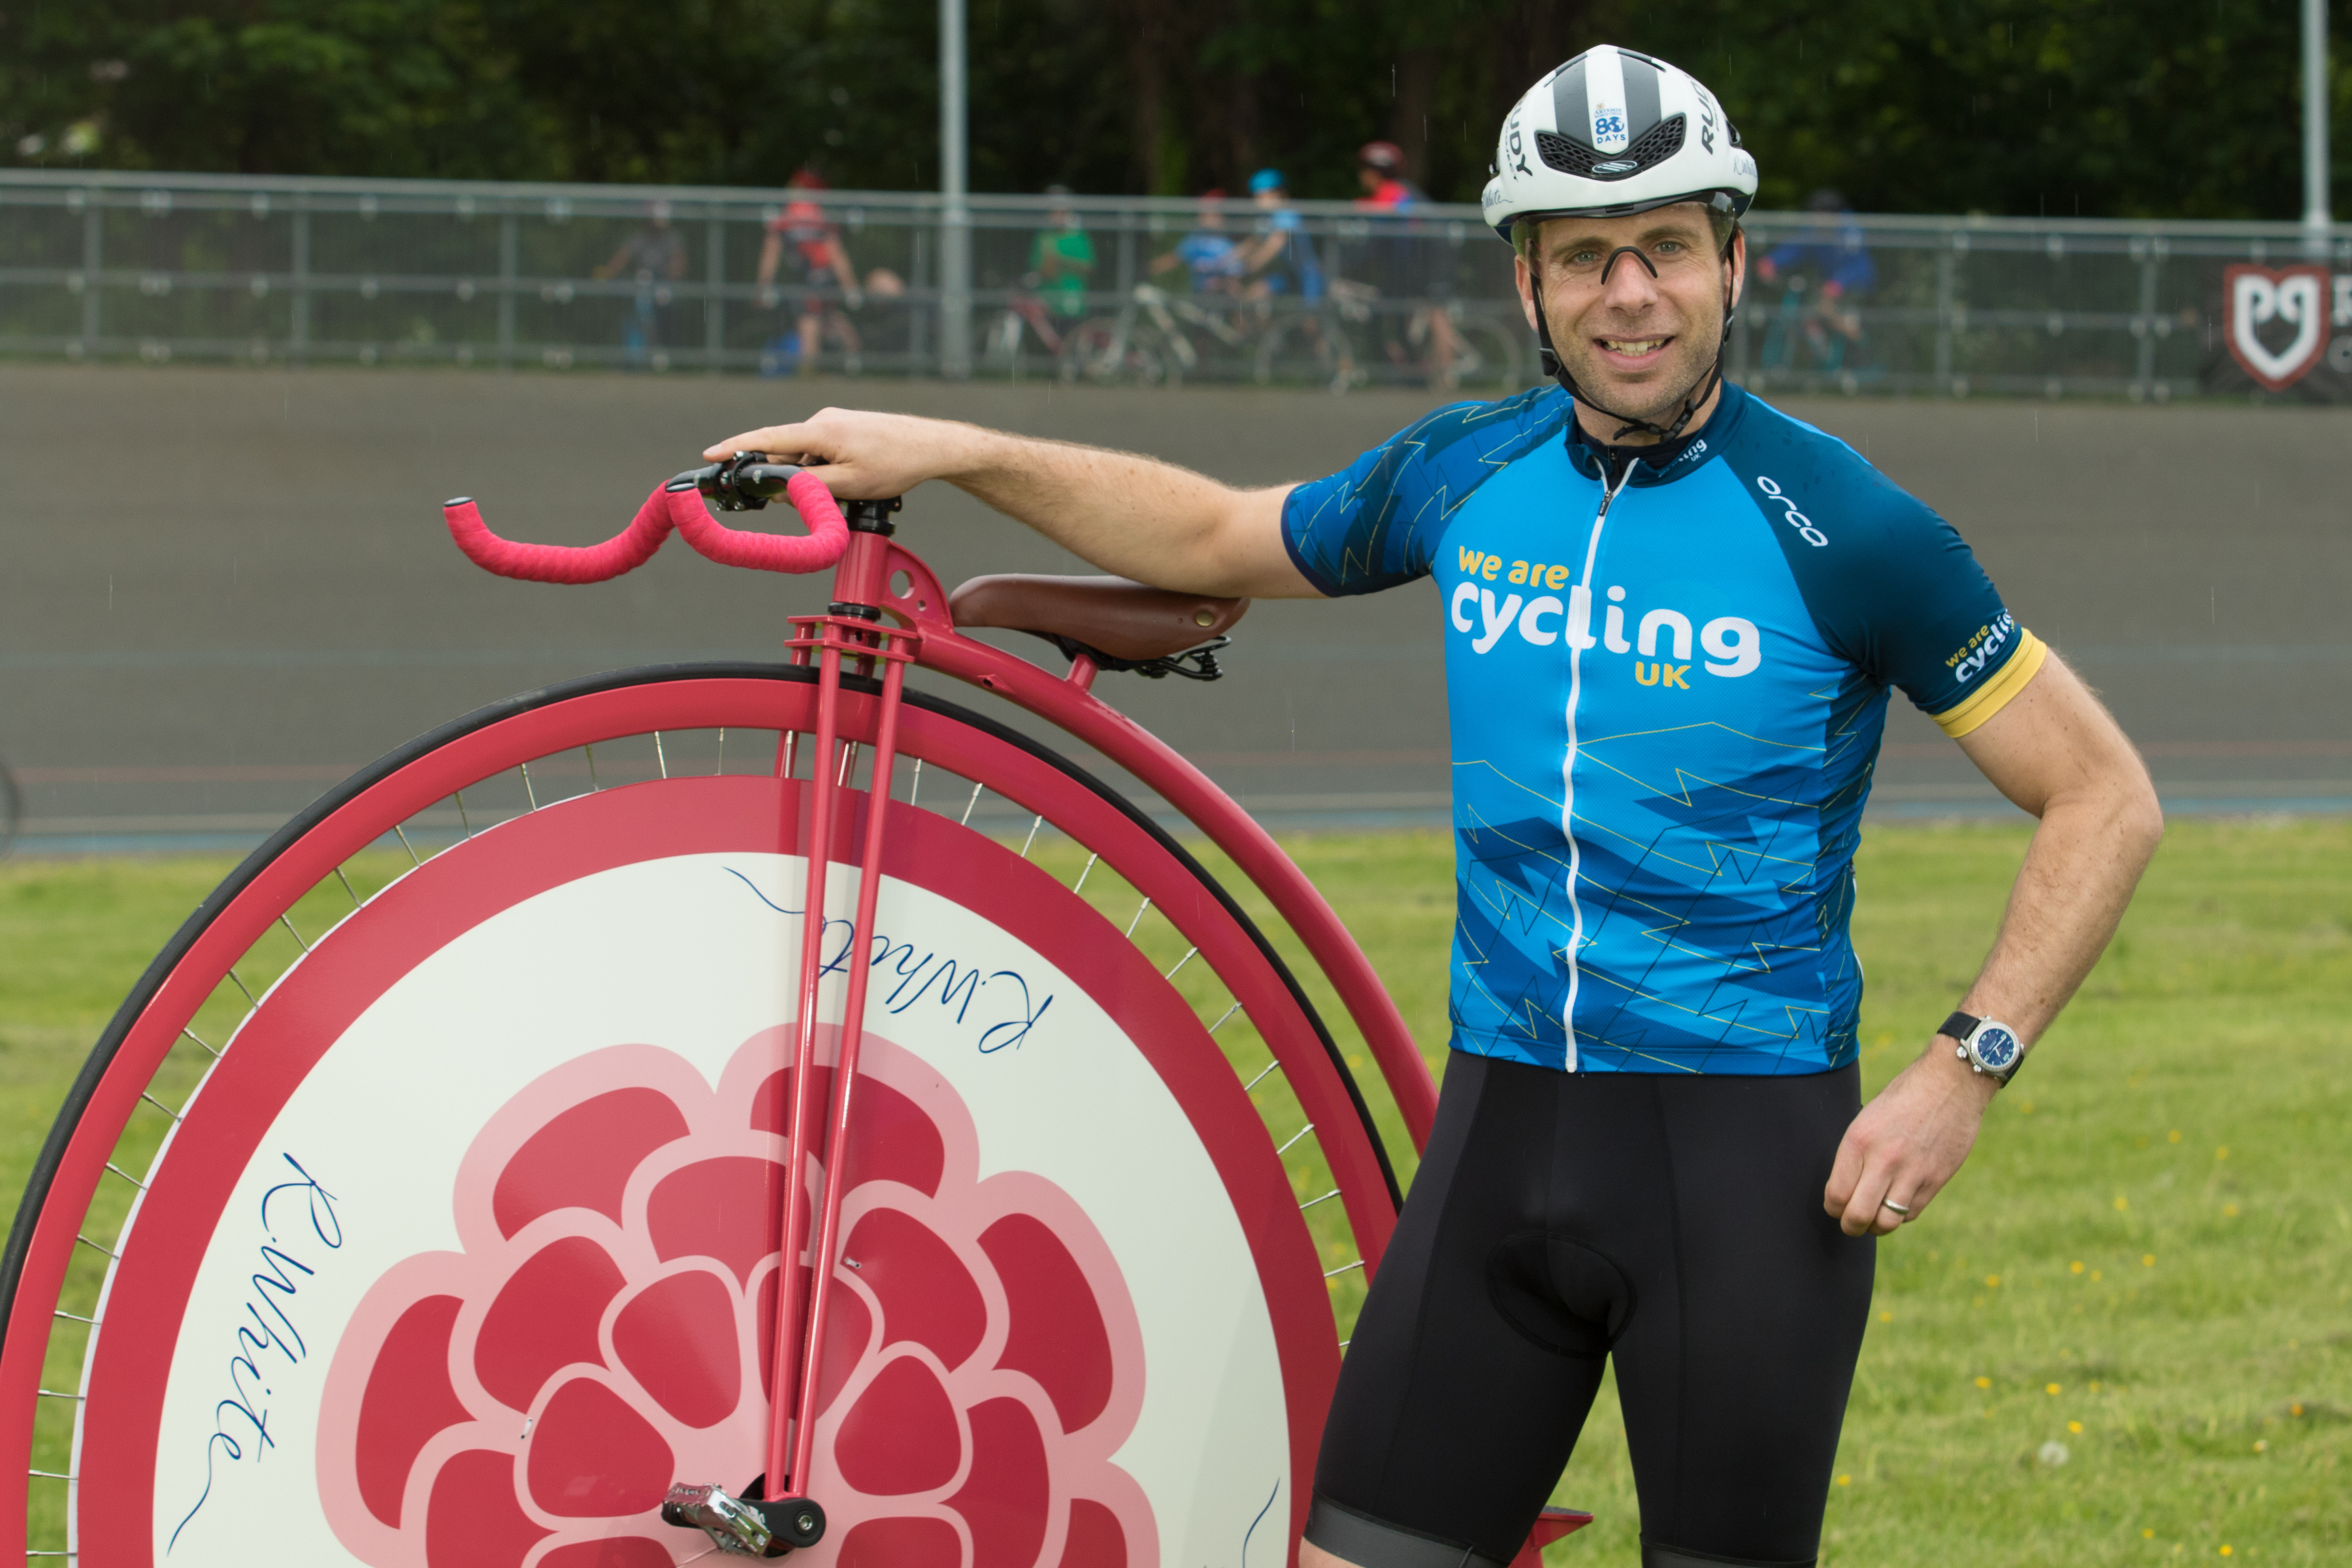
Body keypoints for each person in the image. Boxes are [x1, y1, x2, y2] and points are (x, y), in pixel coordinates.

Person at [697, 43, 2162, 1568]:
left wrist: (1961, 1067)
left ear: (1734, 264)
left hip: (1745, 1170)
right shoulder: (1466, 472)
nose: (1629, 293)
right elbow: (1212, 529)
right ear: (1527, 285)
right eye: (1584, 256)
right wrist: (963, 449)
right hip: (1498, 1141)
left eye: (1665, 247)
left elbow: (2099, 792)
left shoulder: (1847, 526)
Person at [1354, 140, 1458, 384]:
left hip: (1436, 257)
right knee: (1410, 312)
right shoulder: (1395, 190)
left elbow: (1390, 210)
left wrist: (1358, 208)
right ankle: (1420, 369)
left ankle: (1447, 375)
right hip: (1421, 259)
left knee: (1436, 310)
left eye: (1364, 170)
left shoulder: (1396, 191)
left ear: (1375, 172)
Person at [756, 168, 865, 375]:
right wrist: (850, 287)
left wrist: (763, 285)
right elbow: (837, 254)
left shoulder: (786, 215)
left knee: (809, 320)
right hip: (824, 277)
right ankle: (857, 361)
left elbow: (771, 254)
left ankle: (809, 371)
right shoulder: (819, 213)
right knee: (830, 318)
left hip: (812, 277)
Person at [1756, 188, 1878, 367]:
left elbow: (1860, 265)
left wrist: (1839, 283)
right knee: (1810, 320)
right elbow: (1797, 246)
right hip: (1829, 290)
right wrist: (1772, 261)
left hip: (1855, 289)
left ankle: (1866, 355)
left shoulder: (1851, 231)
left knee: (1838, 320)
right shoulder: (1815, 229)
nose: (1815, 219)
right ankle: (1828, 365)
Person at [593, 200, 689, 367]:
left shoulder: (672, 239)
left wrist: (670, 278)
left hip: (663, 287)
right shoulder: (640, 239)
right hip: (643, 288)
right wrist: (608, 272)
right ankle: (635, 359)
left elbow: (678, 264)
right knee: (637, 315)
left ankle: (661, 356)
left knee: (664, 320)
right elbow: (621, 258)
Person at [1237, 169, 1326, 304]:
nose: (1258, 202)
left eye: (1263, 197)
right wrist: (1224, 260)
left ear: (1278, 194)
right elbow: (1251, 243)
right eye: (1257, 197)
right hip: (1288, 274)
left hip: (1308, 277)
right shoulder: (1268, 218)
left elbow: (1275, 244)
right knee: (1252, 296)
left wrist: (1250, 265)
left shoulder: (1287, 214)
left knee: (1310, 322)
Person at [1149, 188, 1247, 296]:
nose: (1203, 217)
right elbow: (1174, 258)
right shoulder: (1197, 238)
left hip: (1224, 298)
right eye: (1203, 213)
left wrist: (1222, 284)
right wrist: (1148, 270)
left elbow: (1236, 279)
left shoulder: (1231, 241)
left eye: (1211, 213)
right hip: (1201, 296)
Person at [1028, 184, 1097, 325]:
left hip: (1073, 303)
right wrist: (1050, 264)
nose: (1056, 215)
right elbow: (1041, 269)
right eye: (1053, 211)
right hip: (1048, 304)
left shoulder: (1078, 236)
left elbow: (1088, 267)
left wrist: (1062, 260)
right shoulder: (1044, 236)